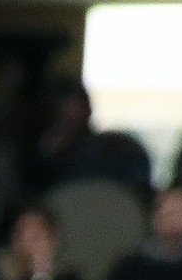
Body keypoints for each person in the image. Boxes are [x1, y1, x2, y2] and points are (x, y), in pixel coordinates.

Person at [23, 81, 153, 198]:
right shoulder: (46, 156)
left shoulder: (118, 149)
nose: (69, 115)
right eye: (63, 108)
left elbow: (138, 193)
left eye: (75, 107)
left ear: (87, 110)